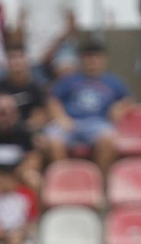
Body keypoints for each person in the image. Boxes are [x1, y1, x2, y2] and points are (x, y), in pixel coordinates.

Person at [48, 42, 130, 171]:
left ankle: (99, 182)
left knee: (108, 139)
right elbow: (53, 100)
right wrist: (61, 117)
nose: (93, 61)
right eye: (89, 57)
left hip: (98, 123)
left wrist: (119, 107)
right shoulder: (69, 80)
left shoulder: (113, 81)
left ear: (104, 59)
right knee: (53, 139)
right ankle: (63, 181)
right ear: (81, 59)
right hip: (71, 122)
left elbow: (127, 100)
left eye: (97, 57)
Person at [0, 92, 40, 187]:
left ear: (15, 114)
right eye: (1, 114)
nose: (4, 119)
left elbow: (33, 157)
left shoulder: (23, 132)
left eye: (8, 113)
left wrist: (17, 172)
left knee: (34, 180)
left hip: (16, 176)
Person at [15, 0, 78, 80]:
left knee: (67, 72)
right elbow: (21, 21)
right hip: (34, 47)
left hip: (60, 45)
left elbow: (72, 23)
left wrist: (53, 49)